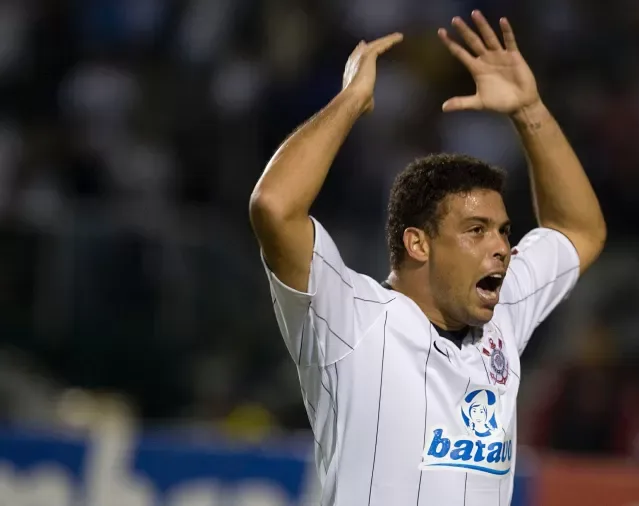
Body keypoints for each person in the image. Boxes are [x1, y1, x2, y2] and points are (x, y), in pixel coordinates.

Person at [248, 11, 605, 506]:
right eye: (475, 231)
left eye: (503, 230)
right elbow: (274, 205)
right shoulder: (349, 318)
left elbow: (577, 230)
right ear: (418, 244)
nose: (501, 246)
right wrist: (351, 101)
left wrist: (529, 110)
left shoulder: (502, 313)